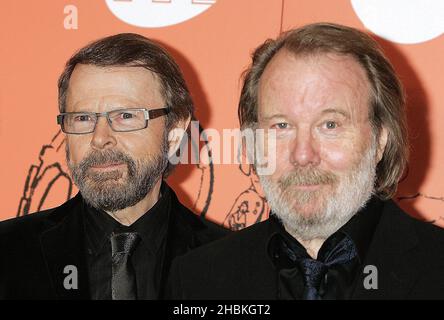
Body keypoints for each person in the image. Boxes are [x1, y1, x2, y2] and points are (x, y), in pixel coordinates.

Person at [167, 23, 444, 299]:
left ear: (380, 140)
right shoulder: (198, 278)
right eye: (282, 126)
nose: (302, 155)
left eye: (330, 125)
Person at [0, 33, 228, 300]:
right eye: (83, 118)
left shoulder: (232, 263)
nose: (99, 139)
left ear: (174, 132)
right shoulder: (8, 252)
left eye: (125, 116)